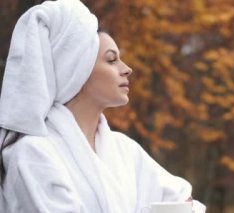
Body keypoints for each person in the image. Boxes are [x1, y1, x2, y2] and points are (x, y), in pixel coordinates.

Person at [0, 0, 206, 212]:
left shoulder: (124, 150)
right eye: (111, 60)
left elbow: (186, 203)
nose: (127, 69)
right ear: (77, 70)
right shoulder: (33, 153)